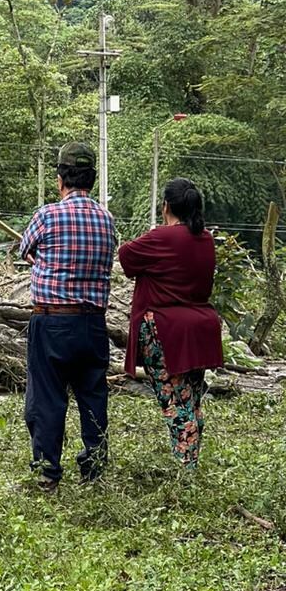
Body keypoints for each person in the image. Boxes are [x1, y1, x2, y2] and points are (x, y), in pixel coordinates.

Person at [18, 141, 116, 492]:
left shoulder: (46, 215)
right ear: (92, 179)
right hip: (93, 323)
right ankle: (93, 470)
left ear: (60, 179)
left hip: (52, 321)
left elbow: (25, 250)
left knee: (47, 397)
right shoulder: (106, 219)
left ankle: (48, 472)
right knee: (93, 395)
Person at [118, 178, 222, 469]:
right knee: (191, 400)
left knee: (175, 403)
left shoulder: (161, 237)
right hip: (200, 329)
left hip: (167, 330)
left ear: (165, 206)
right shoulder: (206, 239)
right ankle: (190, 463)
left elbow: (125, 256)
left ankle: (186, 470)